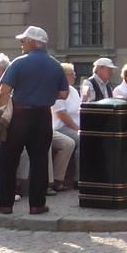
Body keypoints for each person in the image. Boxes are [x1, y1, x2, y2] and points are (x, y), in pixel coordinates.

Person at [0, 26, 70, 216]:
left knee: (8, 160)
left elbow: (3, 92)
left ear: (34, 43)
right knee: (40, 161)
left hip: (19, 116)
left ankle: (5, 205)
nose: (21, 45)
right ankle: (37, 205)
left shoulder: (19, 63)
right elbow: (64, 93)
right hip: (43, 116)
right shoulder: (55, 65)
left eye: (24, 41)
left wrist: (0, 110)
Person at [51, 62, 82, 191]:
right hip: (60, 127)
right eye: (72, 74)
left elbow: (79, 109)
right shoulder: (58, 90)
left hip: (74, 126)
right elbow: (62, 114)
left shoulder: (73, 90)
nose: (74, 76)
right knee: (81, 140)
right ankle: (78, 178)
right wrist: (78, 128)